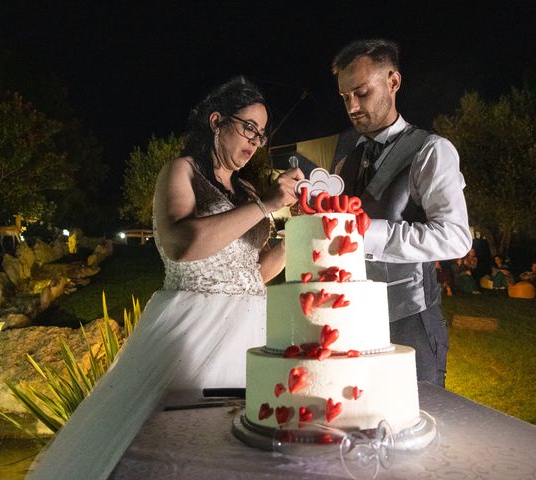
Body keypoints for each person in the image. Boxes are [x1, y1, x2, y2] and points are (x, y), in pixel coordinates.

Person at [26, 77, 304, 480]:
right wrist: (269, 203)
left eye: (261, 134)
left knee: (243, 453)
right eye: (248, 127)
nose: (256, 141)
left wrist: (303, 228)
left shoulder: (245, 189)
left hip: (252, 331)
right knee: (183, 451)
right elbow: (181, 243)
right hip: (194, 330)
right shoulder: (180, 171)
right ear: (216, 121)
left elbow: (254, 270)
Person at [331, 39, 472, 387]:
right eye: (344, 96)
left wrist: (366, 232)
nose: (352, 107)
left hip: (409, 321)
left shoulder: (432, 150)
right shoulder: (345, 153)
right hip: (347, 318)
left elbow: (456, 238)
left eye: (361, 93)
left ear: (393, 82)